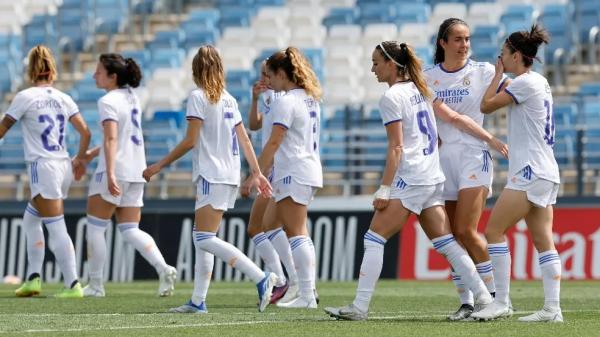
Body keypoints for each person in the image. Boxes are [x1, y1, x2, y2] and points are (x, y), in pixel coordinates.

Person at [323, 41, 493, 321]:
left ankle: (360, 307)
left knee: (374, 237)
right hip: (431, 175)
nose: (373, 68)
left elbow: (396, 148)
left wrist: (384, 189)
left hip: (412, 176)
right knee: (447, 243)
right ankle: (485, 298)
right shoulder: (421, 88)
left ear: (392, 64)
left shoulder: (392, 97)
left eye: (377, 62)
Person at [143, 45, 277, 314]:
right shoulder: (229, 99)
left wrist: (159, 165)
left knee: (204, 238)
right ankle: (198, 300)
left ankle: (260, 277)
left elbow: (191, 141)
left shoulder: (198, 97)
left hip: (211, 174)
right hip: (228, 175)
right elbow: (245, 139)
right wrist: (256, 172)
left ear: (196, 70)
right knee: (202, 236)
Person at [471, 25, 562, 322]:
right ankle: (552, 309)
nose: (501, 57)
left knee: (493, 231)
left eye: (504, 53)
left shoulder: (523, 83)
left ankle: (502, 302)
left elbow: (486, 105)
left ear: (517, 55)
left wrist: (497, 76)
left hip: (530, 170)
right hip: (546, 170)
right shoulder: (539, 81)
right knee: (543, 239)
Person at [425, 18, 510, 320]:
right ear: (443, 43)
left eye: (467, 39)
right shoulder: (428, 77)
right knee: (451, 237)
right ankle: (468, 301)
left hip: (474, 155)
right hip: (442, 159)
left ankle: (498, 296)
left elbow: (511, 92)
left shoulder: (484, 71)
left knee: (465, 229)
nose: (464, 45)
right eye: (458, 39)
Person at [81, 54, 177, 298]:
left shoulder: (108, 100)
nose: (94, 75)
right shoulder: (133, 97)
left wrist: (110, 173)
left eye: (99, 71)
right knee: (130, 229)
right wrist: (92, 154)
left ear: (113, 77)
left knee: (95, 228)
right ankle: (163, 268)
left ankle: (95, 285)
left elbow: (112, 138)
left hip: (115, 170)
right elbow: (119, 136)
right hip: (136, 170)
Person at [1, 45, 91, 298]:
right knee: (31, 219)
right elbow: (86, 132)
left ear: (31, 70)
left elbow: (3, 129)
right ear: (53, 69)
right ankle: (33, 278)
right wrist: (81, 159)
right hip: (63, 166)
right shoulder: (64, 97)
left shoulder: (25, 97)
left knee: (56, 226)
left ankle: (72, 283)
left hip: (43, 166)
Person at [247, 47, 323, 309]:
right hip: (303, 168)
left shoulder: (286, 100)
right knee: (270, 223)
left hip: (294, 170)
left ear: (282, 74)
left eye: (273, 76)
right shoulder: (309, 97)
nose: (270, 81)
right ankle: (301, 288)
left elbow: (273, 142)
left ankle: (306, 293)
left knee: (297, 232)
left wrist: (255, 174)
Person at [244, 60, 299, 304]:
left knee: (267, 226)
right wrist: (255, 99)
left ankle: (289, 281)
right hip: (270, 167)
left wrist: (258, 171)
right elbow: (255, 125)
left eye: (267, 74)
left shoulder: (284, 99)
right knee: (261, 226)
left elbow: (277, 138)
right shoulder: (269, 97)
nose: (264, 79)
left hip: (276, 167)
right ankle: (284, 280)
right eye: (261, 74)